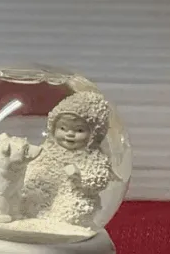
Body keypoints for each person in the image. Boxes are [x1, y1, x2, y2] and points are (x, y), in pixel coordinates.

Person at [23, 91, 115, 228]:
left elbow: (100, 179)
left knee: (73, 210)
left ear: (94, 133)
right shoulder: (47, 149)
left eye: (79, 130)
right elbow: (33, 166)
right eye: (63, 128)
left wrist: (79, 178)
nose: (70, 134)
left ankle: (58, 224)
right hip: (44, 191)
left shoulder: (93, 157)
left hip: (73, 194)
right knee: (26, 197)